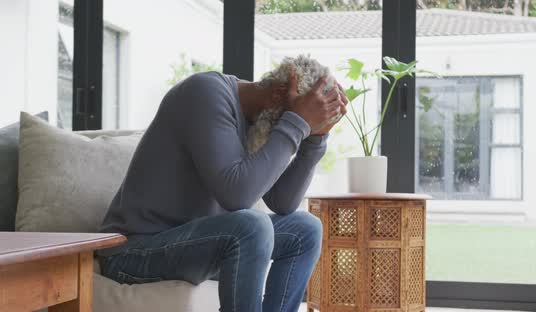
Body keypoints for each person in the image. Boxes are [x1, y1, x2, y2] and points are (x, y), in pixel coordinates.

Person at [97, 55, 348, 312]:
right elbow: (237, 196)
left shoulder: (260, 122)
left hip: (196, 244)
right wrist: (296, 124)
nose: (293, 129)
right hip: (134, 251)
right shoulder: (205, 93)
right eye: (295, 118)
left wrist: (315, 139)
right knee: (252, 225)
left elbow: (282, 202)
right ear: (280, 93)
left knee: (305, 228)